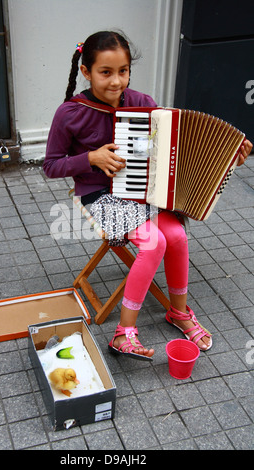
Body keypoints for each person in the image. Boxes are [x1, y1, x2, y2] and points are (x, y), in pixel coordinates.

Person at [43, 31, 253, 360]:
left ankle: (178, 312)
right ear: (86, 72)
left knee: (177, 236)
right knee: (154, 242)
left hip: (143, 193)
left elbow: (176, 152)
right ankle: (123, 333)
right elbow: (51, 166)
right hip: (100, 195)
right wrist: (91, 159)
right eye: (106, 72)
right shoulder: (70, 113)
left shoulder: (143, 104)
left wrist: (228, 155)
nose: (116, 81)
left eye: (123, 71)